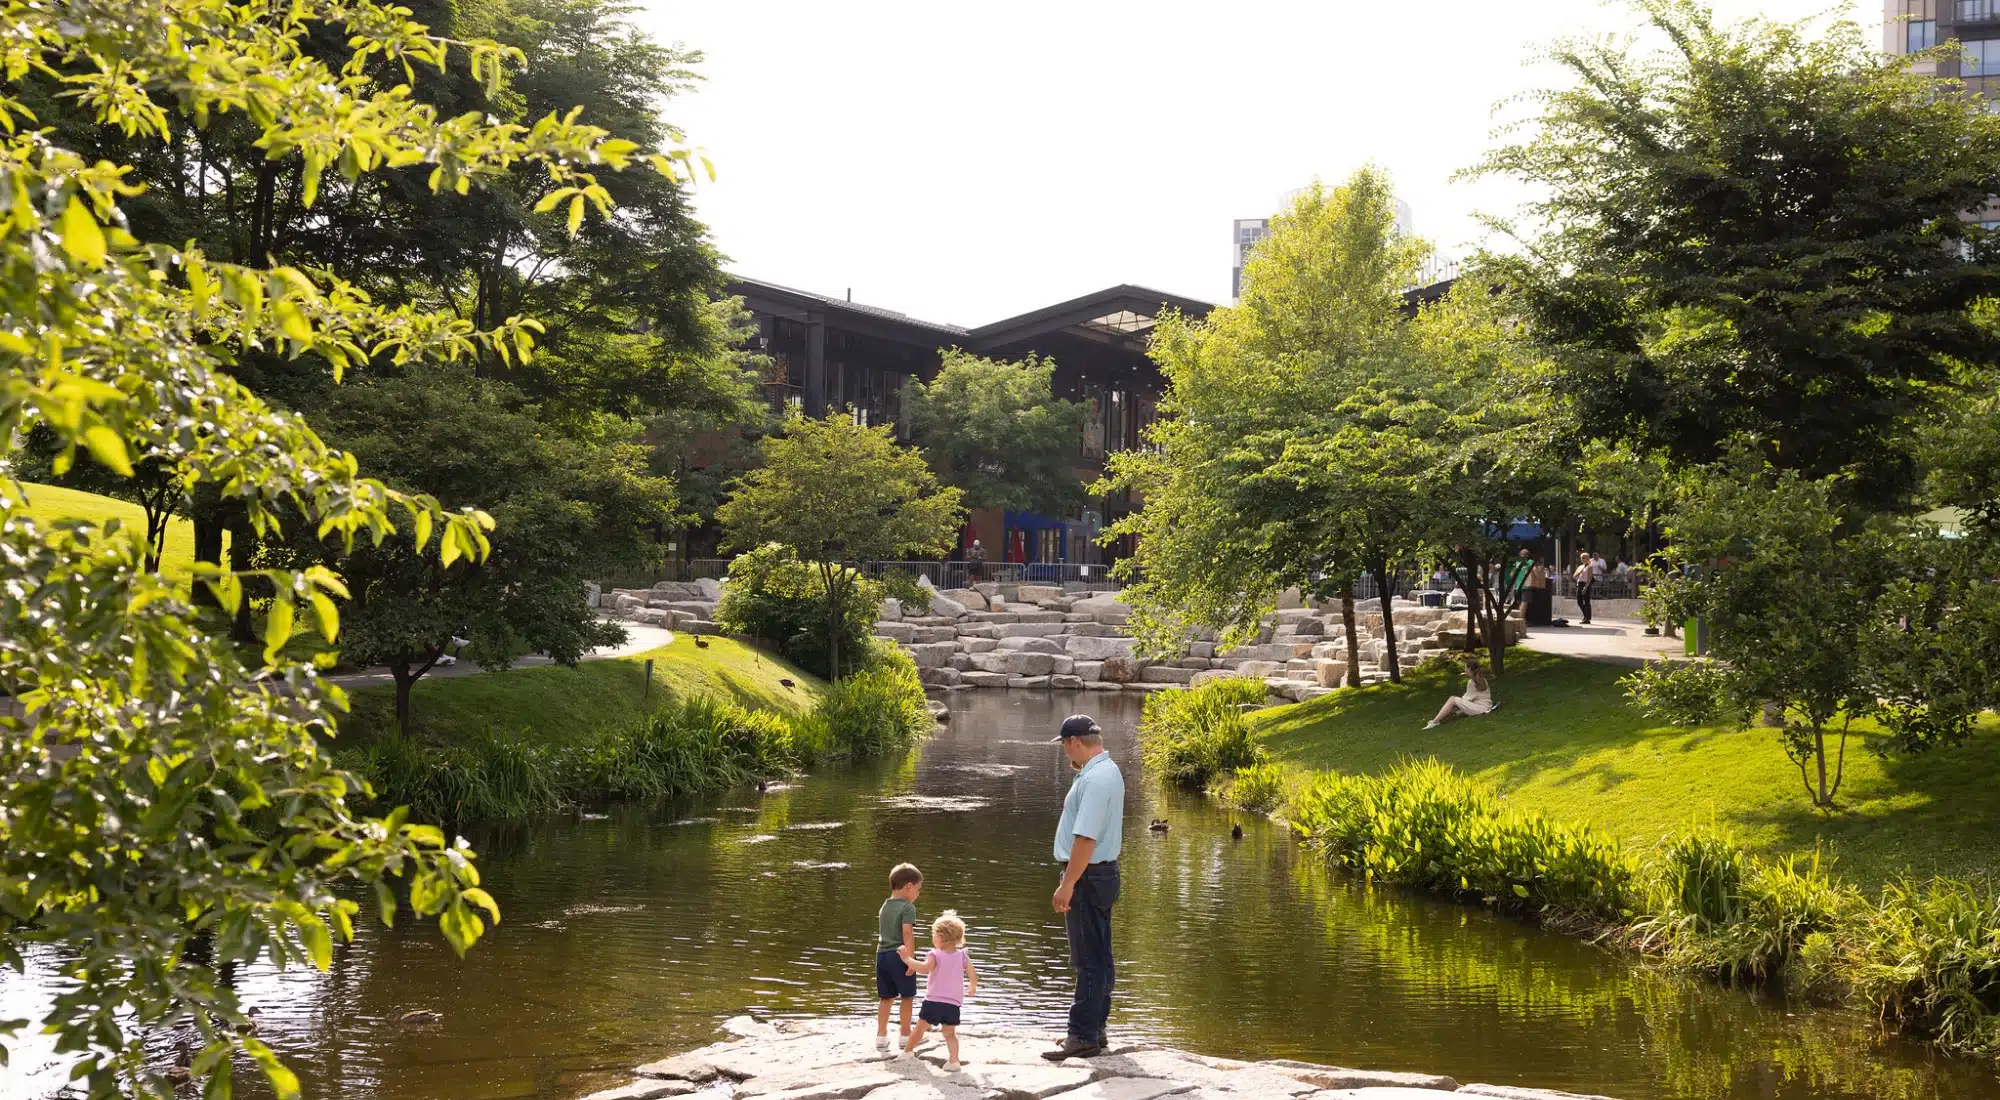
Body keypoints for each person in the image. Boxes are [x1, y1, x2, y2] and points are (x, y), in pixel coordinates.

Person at [1043, 714, 1124, 1061]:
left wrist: (1067, 884)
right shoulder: (1107, 771)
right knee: (1100, 955)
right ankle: (1096, 1028)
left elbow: (1086, 838)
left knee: (1087, 959)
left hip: (1087, 876)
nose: (1065, 752)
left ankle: (1083, 1035)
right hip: (1101, 874)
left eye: (1065, 745)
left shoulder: (1094, 780)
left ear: (1075, 741)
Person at [897, 910, 979, 1071]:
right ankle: (954, 1061)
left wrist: (906, 958)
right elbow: (973, 976)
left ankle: (907, 1052)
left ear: (941, 937)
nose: (933, 938)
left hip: (934, 1001)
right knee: (950, 1034)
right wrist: (972, 986)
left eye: (934, 935)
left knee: (920, 1028)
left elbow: (924, 968)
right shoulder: (963, 956)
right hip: (953, 1004)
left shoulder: (935, 954)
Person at [874, 863, 922, 1050]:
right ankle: (905, 1036)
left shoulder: (884, 906)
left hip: (882, 956)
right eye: (917, 889)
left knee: (885, 997)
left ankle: (881, 1036)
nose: (918, 894)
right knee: (907, 997)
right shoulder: (908, 907)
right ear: (909, 886)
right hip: (899, 956)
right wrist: (910, 960)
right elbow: (907, 933)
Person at [1425, 657, 1496, 729]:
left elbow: (1467, 699)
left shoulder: (1471, 682)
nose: (1464, 670)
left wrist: (1456, 704)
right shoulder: (1482, 679)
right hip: (1487, 707)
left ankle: (1434, 723)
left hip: (1481, 709)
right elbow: (1471, 697)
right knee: (1454, 703)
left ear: (1469, 669)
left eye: (1465, 668)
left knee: (1452, 699)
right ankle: (1437, 720)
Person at [1572, 559, 1594, 625]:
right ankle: (1586, 616)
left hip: (1585, 584)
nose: (1582, 559)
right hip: (1579, 584)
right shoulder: (1580, 567)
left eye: (1584, 557)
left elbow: (1589, 578)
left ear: (1587, 558)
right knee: (1579, 602)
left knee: (1587, 602)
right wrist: (1579, 572)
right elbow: (1574, 576)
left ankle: (1587, 619)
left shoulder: (1590, 567)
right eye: (1581, 558)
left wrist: (1585, 587)